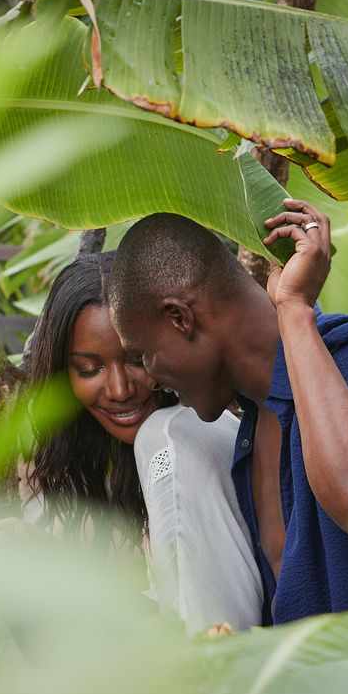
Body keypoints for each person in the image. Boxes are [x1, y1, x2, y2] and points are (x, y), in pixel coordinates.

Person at [106, 204, 348, 624]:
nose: (150, 377)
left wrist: (295, 310)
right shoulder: (251, 434)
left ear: (179, 318)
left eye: (143, 354)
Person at [19, 253, 264, 632]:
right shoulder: (86, 457)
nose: (120, 390)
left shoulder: (174, 439)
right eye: (90, 369)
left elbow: (207, 628)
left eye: (135, 360)